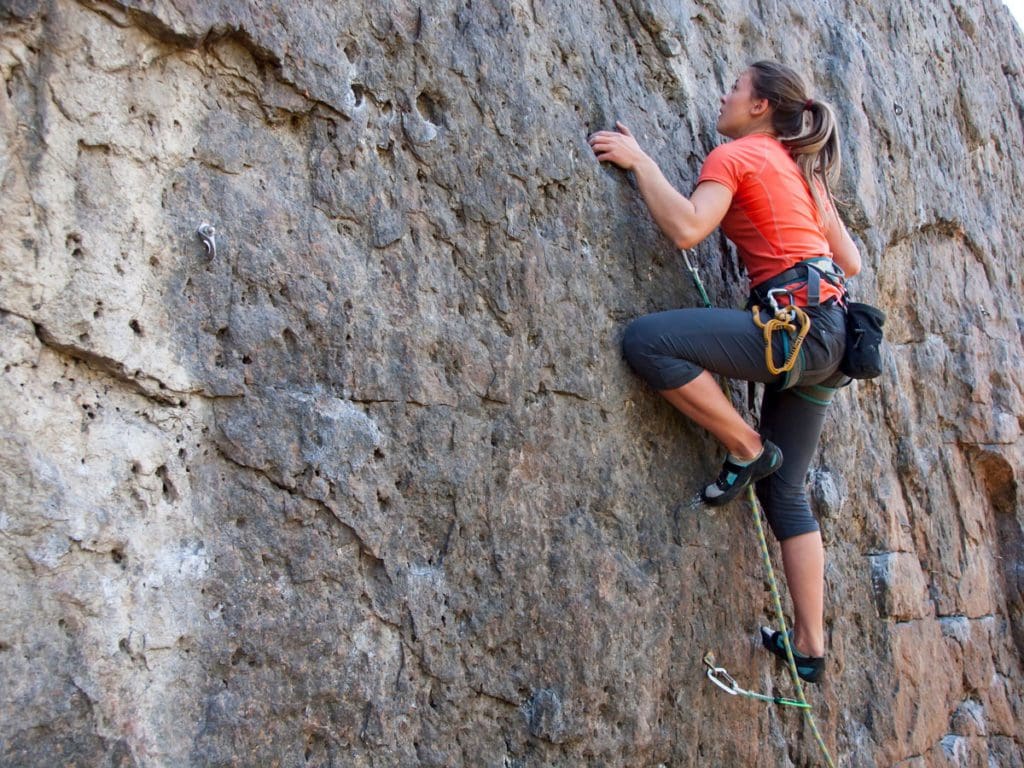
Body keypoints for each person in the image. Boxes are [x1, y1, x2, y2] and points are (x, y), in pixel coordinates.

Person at [588, 60, 862, 683]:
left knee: (648, 342)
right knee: (787, 492)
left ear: (760, 107)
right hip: (832, 336)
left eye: (735, 87)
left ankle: (744, 445)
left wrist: (641, 163)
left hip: (796, 330)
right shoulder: (800, 171)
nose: (725, 94)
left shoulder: (737, 155)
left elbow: (687, 227)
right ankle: (810, 647)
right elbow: (850, 259)